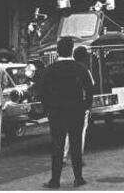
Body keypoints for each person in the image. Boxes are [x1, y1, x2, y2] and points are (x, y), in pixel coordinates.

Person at [38, 37, 94, 189]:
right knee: (76, 144)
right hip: (76, 111)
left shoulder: (51, 69)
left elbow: (42, 91)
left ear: (58, 50)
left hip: (56, 112)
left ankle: (55, 180)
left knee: (57, 145)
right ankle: (78, 177)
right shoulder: (80, 68)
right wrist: (85, 106)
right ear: (71, 50)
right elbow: (89, 89)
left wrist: (48, 109)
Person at [67, 46, 96, 165]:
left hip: (67, 103)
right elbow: (90, 86)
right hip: (81, 103)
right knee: (80, 132)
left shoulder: (68, 68)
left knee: (67, 131)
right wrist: (89, 105)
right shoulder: (84, 70)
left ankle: (63, 156)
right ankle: (78, 157)